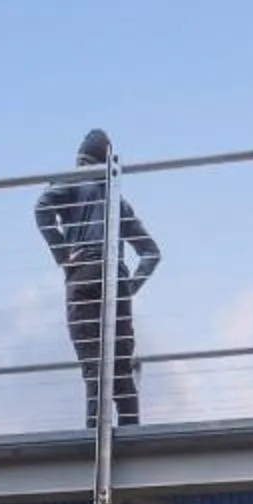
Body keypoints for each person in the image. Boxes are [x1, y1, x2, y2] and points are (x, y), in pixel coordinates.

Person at [35, 128, 160, 429]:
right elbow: (151, 253)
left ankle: (93, 440)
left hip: (84, 276)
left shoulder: (73, 179)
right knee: (119, 370)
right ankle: (134, 436)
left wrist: (63, 255)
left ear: (81, 158)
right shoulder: (118, 198)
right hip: (115, 279)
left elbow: (42, 208)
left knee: (94, 369)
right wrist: (129, 287)